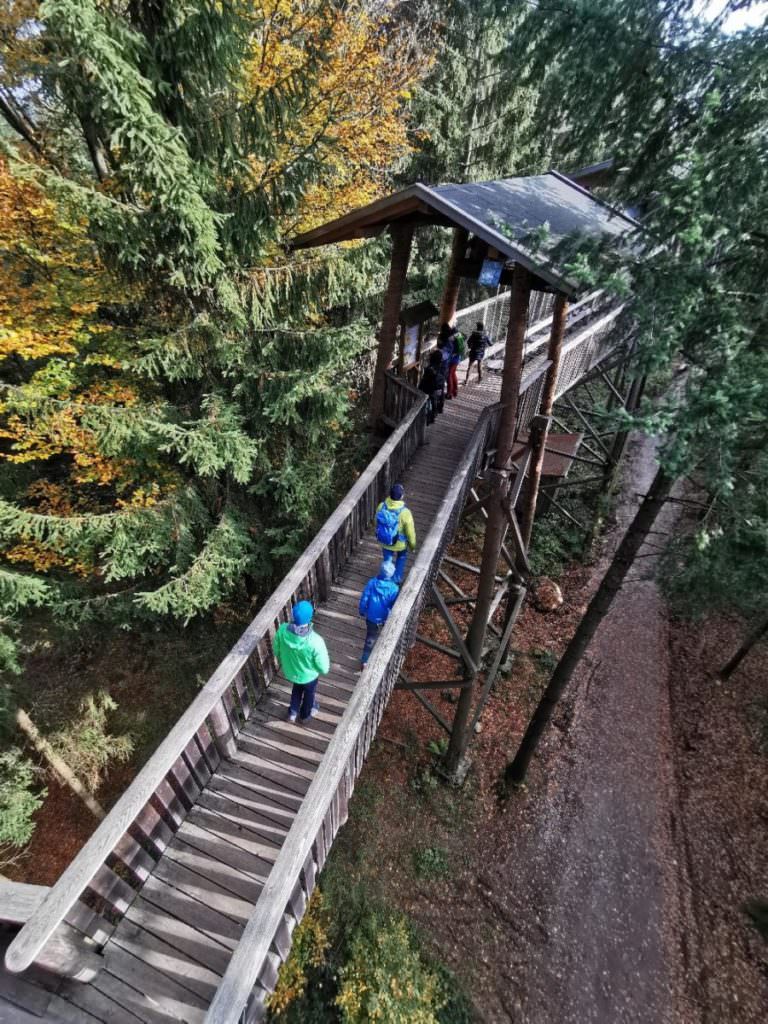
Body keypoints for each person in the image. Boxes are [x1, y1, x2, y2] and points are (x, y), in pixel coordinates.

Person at [272, 600, 330, 723]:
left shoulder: (282, 630)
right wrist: (320, 670)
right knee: (309, 694)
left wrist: (283, 659)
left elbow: (276, 649)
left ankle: (292, 713)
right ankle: (305, 716)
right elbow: (323, 667)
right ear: (309, 618)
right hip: (310, 676)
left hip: (292, 671)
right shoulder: (315, 641)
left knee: (297, 689)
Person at [358, 560, 399, 670]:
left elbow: (365, 598)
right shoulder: (394, 588)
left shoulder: (372, 583)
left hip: (371, 617)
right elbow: (394, 604)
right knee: (384, 637)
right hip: (385, 617)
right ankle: (380, 659)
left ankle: (365, 661)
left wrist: (362, 610)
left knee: (370, 638)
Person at [375, 483, 416, 584]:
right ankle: (396, 580)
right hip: (400, 544)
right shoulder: (405, 512)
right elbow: (410, 532)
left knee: (387, 559)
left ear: (390, 495)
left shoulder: (381, 506)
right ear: (402, 496)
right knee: (401, 558)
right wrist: (412, 546)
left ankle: (385, 577)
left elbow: (377, 522)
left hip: (386, 541)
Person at [419, 349, 446, 425]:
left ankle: (427, 418)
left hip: (428, 389)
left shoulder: (429, 369)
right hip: (437, 389)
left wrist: (420, 388)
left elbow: (425, 381)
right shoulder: (441, 367)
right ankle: (433, 416)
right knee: (434, 402)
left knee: (427, 403)